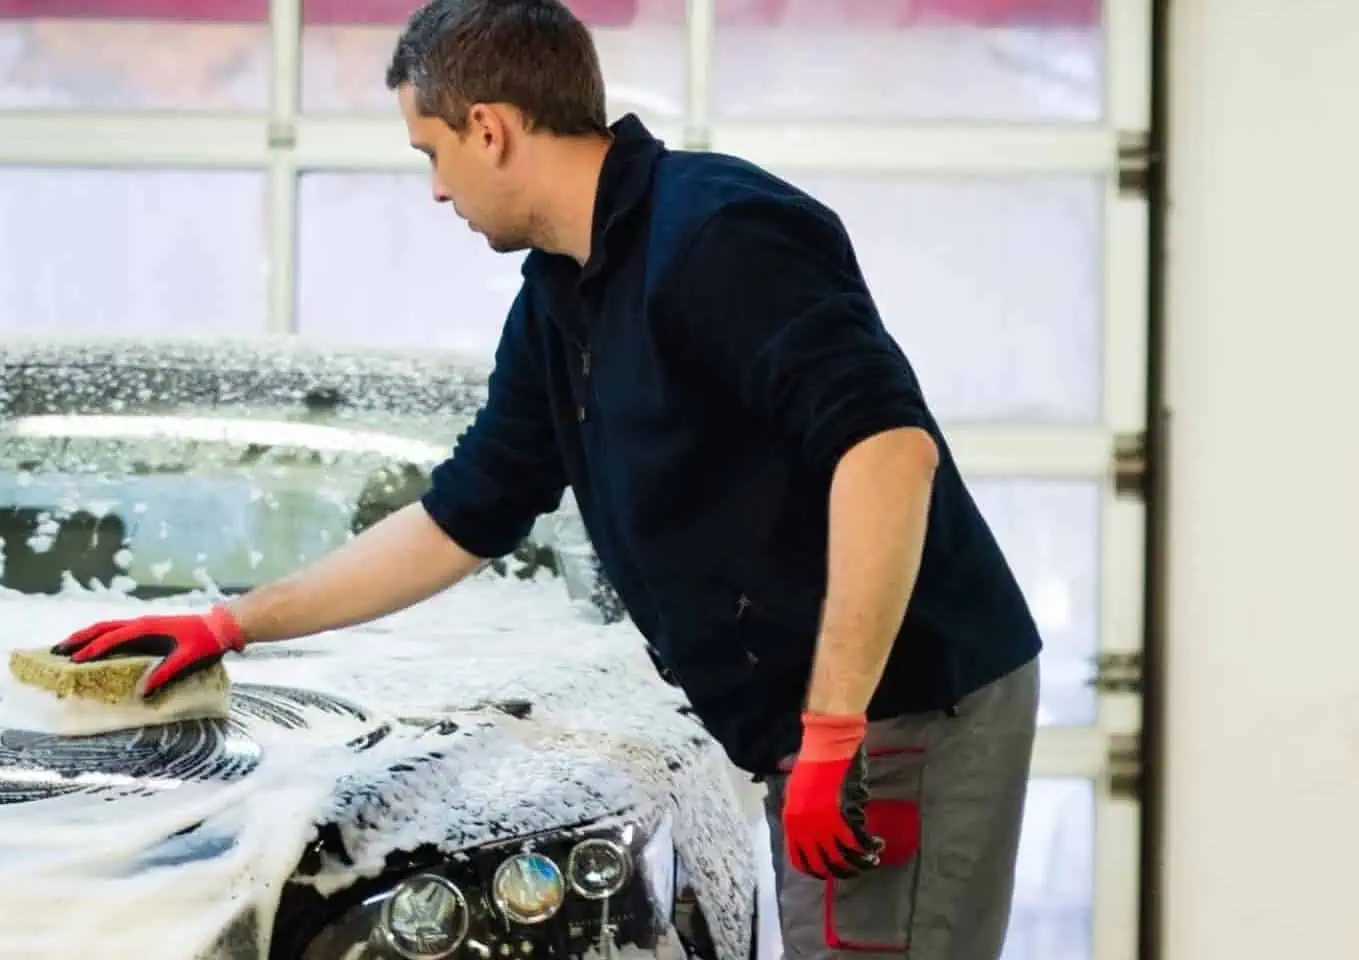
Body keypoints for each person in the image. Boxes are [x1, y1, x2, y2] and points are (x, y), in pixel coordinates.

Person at [52, 1, 1043, 956]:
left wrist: (833, 734)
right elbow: (457, 522)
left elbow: (885, 452)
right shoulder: (559, 303)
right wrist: (235, 624)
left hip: (904, 708)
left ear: (487, 129)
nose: (436, 190)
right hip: (834, 724)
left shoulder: (721, 235)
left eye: (430, 153)